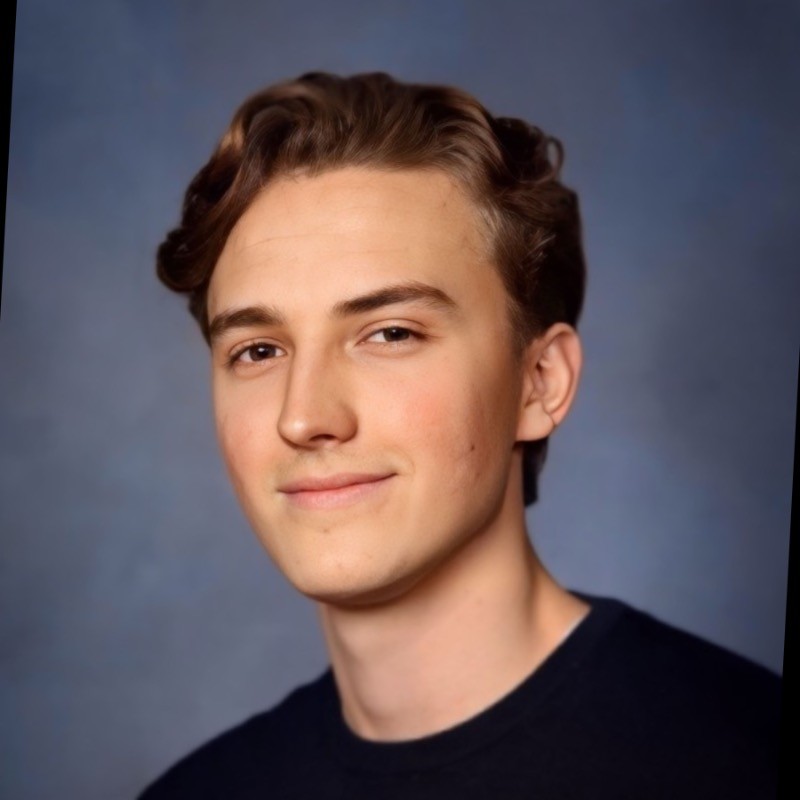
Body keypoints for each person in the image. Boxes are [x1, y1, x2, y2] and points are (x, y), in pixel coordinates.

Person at [139, 72, 781, 798]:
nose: (304, 416)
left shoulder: (745, 758)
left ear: (540, 382)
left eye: (390, 333)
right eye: (258, 350)